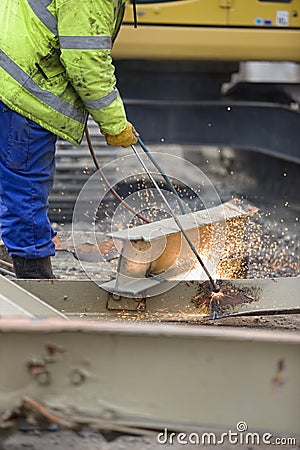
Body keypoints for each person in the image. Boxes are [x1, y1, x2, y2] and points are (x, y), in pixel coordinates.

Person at [0, 0, 138, 279]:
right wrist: (113, 124)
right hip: (22, 91)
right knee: (25, 186)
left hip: (11, 78)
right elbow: (86, 65)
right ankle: (34, 278)